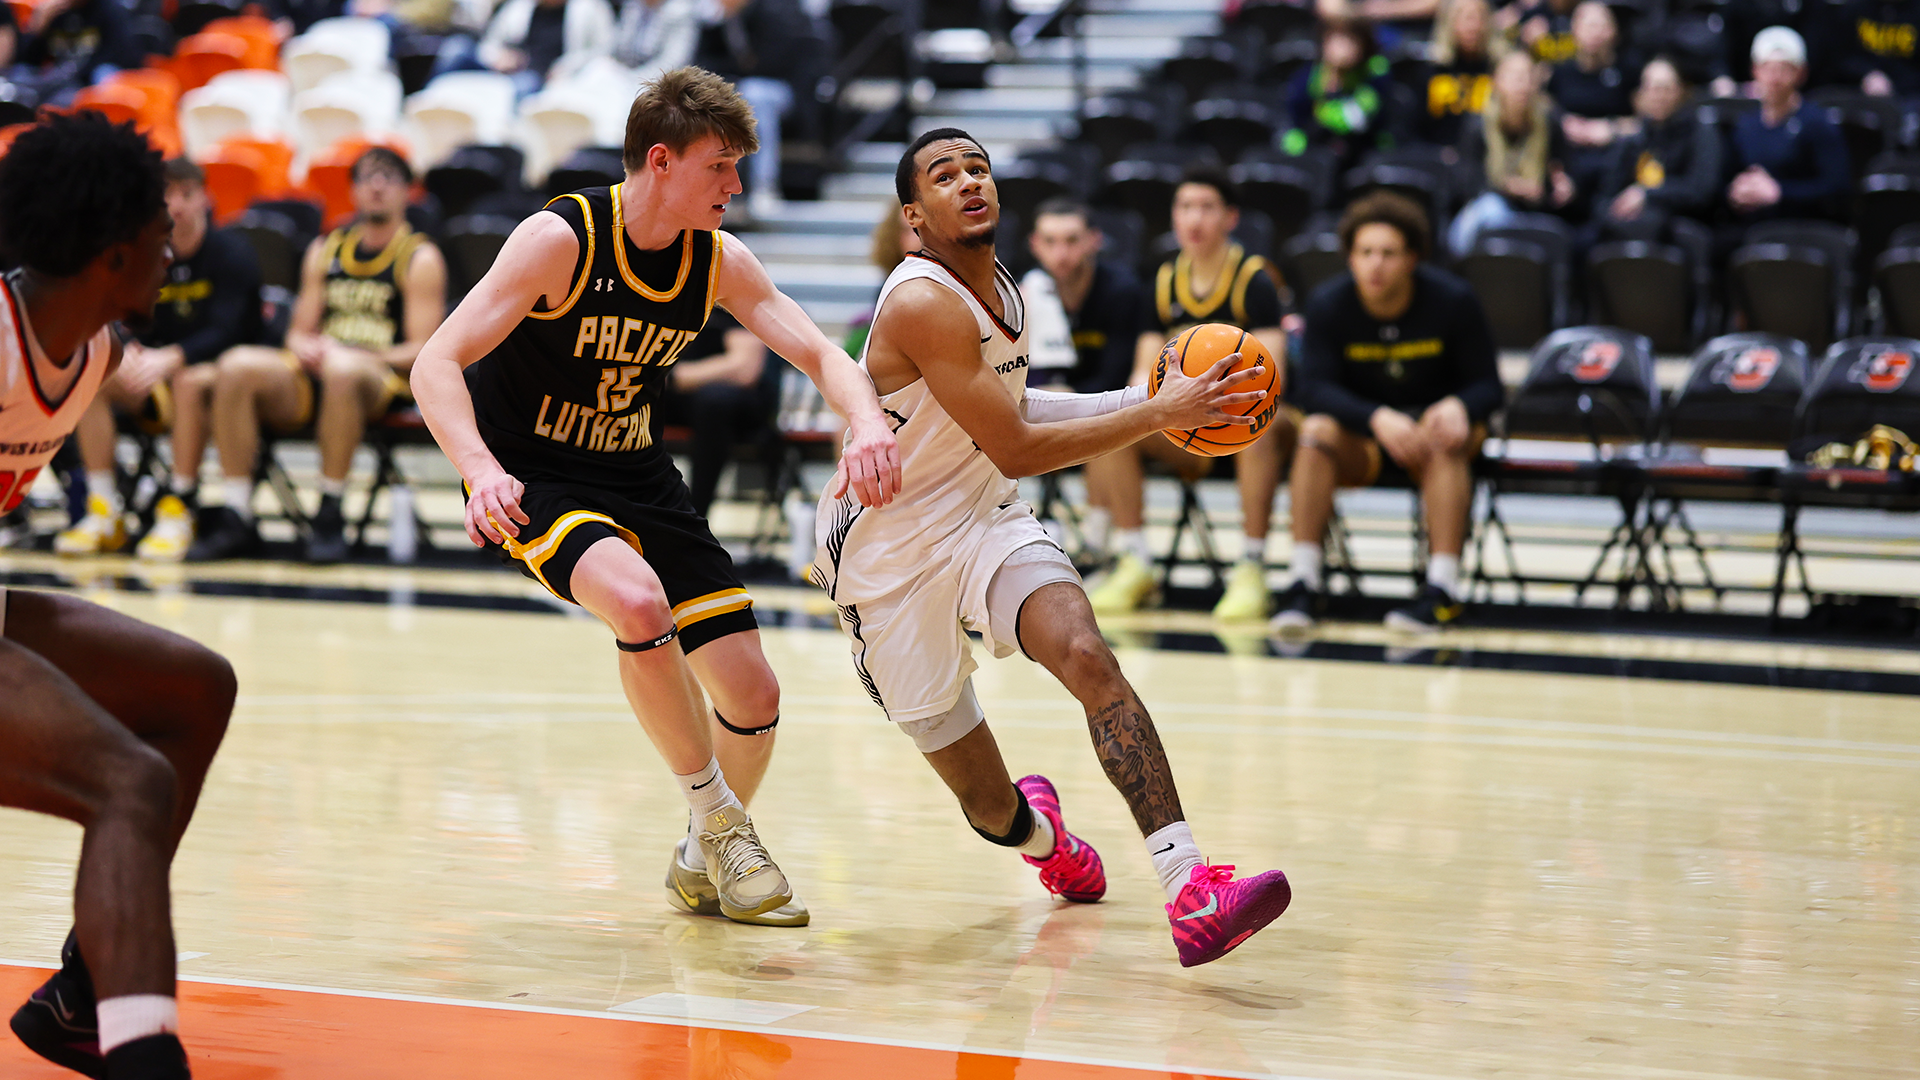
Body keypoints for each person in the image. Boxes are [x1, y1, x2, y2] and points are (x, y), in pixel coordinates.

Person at [409, 67, 900, 928]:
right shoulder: (560, 239)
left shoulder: (716, 262)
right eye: (721, 167)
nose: (737, 186)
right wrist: (482, 469)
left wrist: (867, 425)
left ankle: (698, 854)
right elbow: (435, 362)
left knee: (754, 696)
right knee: (637, 604)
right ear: (662, 161)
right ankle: (721, 822)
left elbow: (825, 355)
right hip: (541, 475)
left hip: (638, 475)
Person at [809, 127, 1291, 968]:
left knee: (1087, 653)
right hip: (888, 560)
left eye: (979, 168)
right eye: (944, 175)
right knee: (989, 806)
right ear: (913, 216)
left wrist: (1142, 395)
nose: (969, 182)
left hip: (983, 518)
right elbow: (1020, 447)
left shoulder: (1010, 290)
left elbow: (1022, 412)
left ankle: (1190, 889)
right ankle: (1042, 838)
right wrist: (1154, 415)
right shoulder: (921, 301)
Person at [1, 111, 236, 1080]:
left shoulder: (91, 349)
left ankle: (85, 997)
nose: (173, 245)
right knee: (128, 783)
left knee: (194, 686)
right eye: (158, 230)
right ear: (114, 253)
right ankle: (146, 1062)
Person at [192, 147, 448, 565]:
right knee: (236, 365)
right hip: (320, 371)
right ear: (353, 190)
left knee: (343, 370)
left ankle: (330, 510)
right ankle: (236, 511)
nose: (377, 186)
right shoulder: (325, 249)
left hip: (381, 377)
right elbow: (297, 331)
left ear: (406, 191)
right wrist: (301, 346)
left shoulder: (420, 256)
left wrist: (355, 352)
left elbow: (424, 350)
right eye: (368, 177)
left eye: (388, 177)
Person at [1276, 191, 1503, 633]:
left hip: (1433, 440)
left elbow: (1489, 386)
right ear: (1349, 257)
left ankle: (1442, 591)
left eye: (1388, 253)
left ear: (1413, 258)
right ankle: (1303, 580)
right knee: (1317, 430)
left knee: (1450, 436)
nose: (1375, 264)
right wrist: (1377, 416)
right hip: (1364, 439)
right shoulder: (1328, 303)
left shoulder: (1454, 301)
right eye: (1365, 253)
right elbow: (1313, 390)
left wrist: (1460, 404)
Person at [1082, 167, 1293, 620]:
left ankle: (1252, 565)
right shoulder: (1161, 281)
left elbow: (1274, 371)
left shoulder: (1254, 278)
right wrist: (1148, 405)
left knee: (1262, 424)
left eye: (1206, 207)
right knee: (1118, 421)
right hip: (1185, 427)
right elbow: (1143, 370)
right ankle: (1135, 559)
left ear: (1230, 217)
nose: (1194, 218)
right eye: (1185, 207)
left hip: (1244, 417)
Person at [52, 159, 264, 562]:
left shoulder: (232, 252)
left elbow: (231, 329)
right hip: (154, 375)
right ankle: (103, 510)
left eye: (186, 193)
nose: (177, 205)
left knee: (189, 379)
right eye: (167, 194)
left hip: (216, 376)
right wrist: (128, 349)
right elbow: (117, 312)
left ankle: (180, 506)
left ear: (206, 198)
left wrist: (174, 357)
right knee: (91, 369)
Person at [1021, 198, 1156, 561]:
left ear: (1093, 240)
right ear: (1035, 244)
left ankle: (1099, 543)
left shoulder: (1122, 291)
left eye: (1071, 240)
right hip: (1046, 412)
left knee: (1109, 416)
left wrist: (1063, 397)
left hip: (1100, 407)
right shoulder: (1022, 292)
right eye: (1050, 241)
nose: (1060, 253)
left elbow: (1115, 379)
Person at [1722, 27, 1852, 235]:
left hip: (1804, 228)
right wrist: (1737, 191)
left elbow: (1837, 189)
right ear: (1755, 71)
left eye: (1784, 69)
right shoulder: (1745, 125)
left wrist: (1780, 192)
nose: (1775, 78)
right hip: (1752, 227)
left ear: (1801, 73)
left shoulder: (1818, 124)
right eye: (1768, 69)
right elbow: (1727, 179)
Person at [650, 307, 777, 518]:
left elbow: (744, 369)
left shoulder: (730, 286)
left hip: (735, 402)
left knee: (713, 402)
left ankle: (693, 516)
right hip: (679, 397)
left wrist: (673, 377)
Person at [1449, 50, 1578, 256]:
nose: (1523, 84)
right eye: (1516, 77)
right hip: (1489, 209)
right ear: (1496, 81)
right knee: (1492, 211)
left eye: (1529, 76)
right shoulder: (1477, 124)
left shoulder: (1550, 122)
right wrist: (1507, 188)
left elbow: (1564, 176)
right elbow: (1466, 185)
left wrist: (1563, 189)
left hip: (1536, 212)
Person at [1589, 56, 1721, 242]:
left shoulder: (1700, 131)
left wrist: (1647, 195)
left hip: (1679, 226)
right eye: (1651, 88)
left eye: (1665, 89)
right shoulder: (1634, 135)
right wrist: (1613, 210)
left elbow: (1700, 191)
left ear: (1680, 91)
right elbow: (1605, 192)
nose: (1658, 96)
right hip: (1631, 226)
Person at [1281, 18, 1398, 172]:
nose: (1342, 49)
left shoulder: (1372, 79)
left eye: (1350, 41)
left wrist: (1325, 113)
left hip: (1359, 156)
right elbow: (1294, 114)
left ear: (1364, 46)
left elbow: (1354, 119)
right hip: (1316, 152)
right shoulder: (1308, 76)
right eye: (1336, 40)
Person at [476, 0, 616, 96]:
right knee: (460, 50)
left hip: (554, 77)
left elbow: (604, 50)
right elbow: (488, 44)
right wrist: (500, 56)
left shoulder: (591, 8)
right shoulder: (519, 7)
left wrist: (568, 66)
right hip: (511, 71)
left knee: (522, 86)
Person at [1416, 0, 1503, 147]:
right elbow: (1414, 127)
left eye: (1479, 19)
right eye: (1466, 18)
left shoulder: (1498, 68)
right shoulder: (1431, 69)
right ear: (1449, 23)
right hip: (1438, 157)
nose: (1473, 27)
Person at [1834, 0, 1920, 100]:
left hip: (1909, 95)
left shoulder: (1915, 11)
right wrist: (1867, 73)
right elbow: (1842, 55)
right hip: (1860, 89)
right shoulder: (1856, 8)